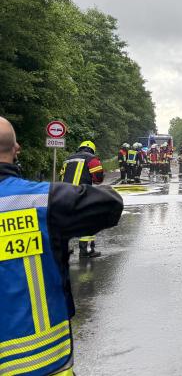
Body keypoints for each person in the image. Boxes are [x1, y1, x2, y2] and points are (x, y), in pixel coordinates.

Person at [0, 116, 123, 376]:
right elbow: (106, 195)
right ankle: (87, 248)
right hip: (38, 363)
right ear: (16, 149)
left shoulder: (68, 159)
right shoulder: (39, 202)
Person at [60, 140, 106, 258]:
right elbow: (98, 179)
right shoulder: (92, 159)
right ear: (91, 149)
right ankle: (86, 250)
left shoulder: (68, 159)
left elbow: (61, 176)